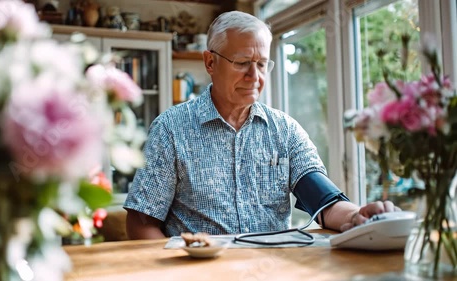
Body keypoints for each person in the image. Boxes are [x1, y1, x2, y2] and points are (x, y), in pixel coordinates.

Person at [123, 11, 400, 239]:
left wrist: (356, 216)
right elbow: (141, 223)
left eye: (262, 64)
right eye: (242, 63)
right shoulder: (171, 129)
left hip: (271, 270)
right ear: (210, 62)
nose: (254, 76)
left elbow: (323, 202)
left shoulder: (285, 130)